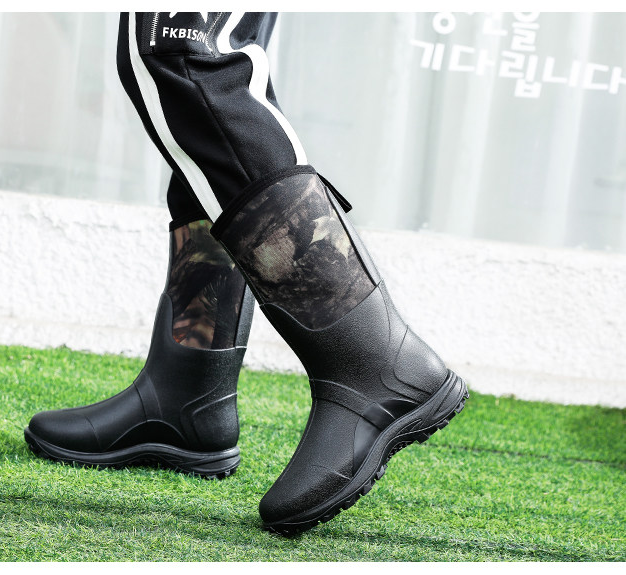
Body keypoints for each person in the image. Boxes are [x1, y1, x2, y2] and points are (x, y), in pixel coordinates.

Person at [24, 12, 468, 537]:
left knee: (185, 59)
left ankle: (369, 359)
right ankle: (188, 389)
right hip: (189, 383)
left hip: (368, 356)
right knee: (202, 93)